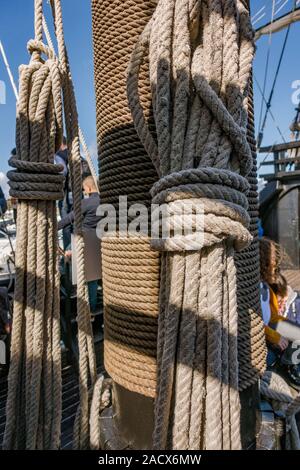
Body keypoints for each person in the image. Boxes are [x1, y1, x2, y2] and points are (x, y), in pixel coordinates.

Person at [58, 175, 101, 312]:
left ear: (88, 188)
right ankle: (92, 310)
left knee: (63, 262)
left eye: (84, 190)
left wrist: (51, 228)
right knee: (93, 279)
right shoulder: (106, 202)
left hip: (83, 243)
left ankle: (70, 289)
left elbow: (67, 220)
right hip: (100, 244)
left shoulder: (85, 204)